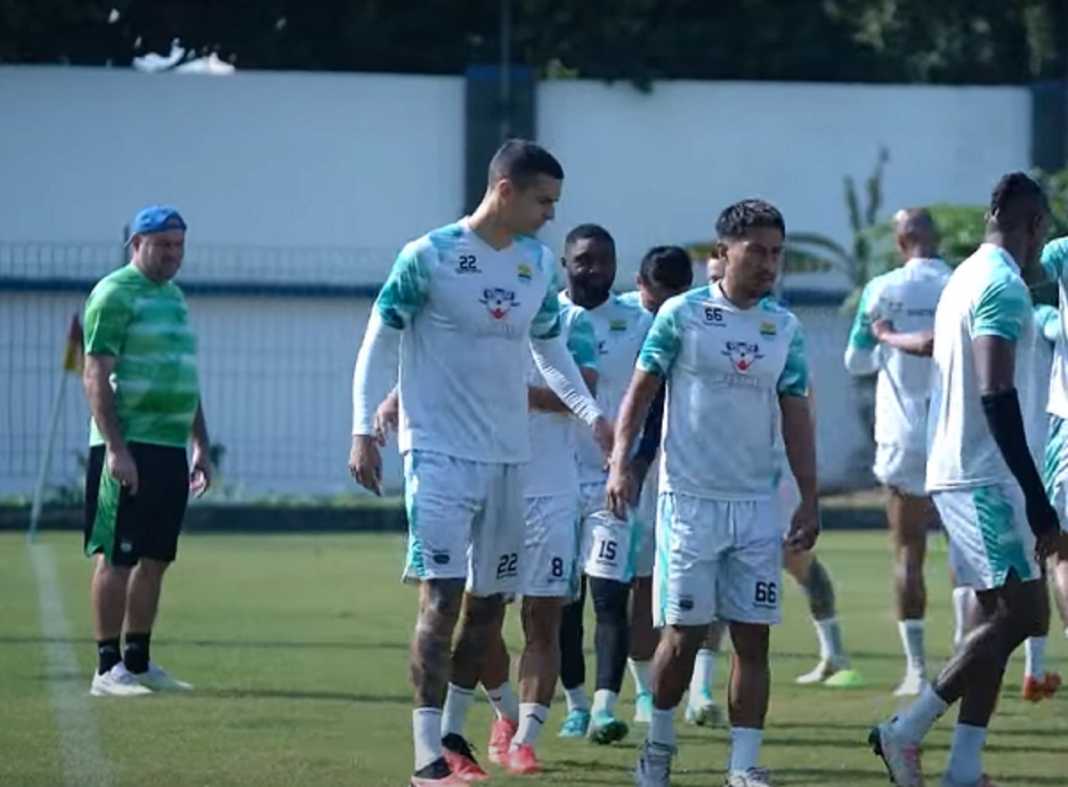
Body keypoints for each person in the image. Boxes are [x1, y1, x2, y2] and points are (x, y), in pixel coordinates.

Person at [348, 139, 611, 787]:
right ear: (505, 190)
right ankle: (424, 756)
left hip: (508, 456)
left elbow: (550, 349)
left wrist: (592, 414)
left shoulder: (537, 264)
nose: (551, 214)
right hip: (437, 451)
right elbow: (376, 341)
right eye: (543, 200)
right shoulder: (428, 256)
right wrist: (363, 429)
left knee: (489, 605)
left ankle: (454, 736)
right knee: (441, 598)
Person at [612, 199, 821, 787]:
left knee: (754, 638)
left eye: (776, 252)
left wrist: (808, 495)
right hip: (689, 504)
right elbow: (640, 394)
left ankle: (742, 766)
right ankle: (657, 747)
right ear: (721, 253)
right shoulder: (682, 314)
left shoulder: (784, 327)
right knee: (682, 637)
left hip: (756, 506)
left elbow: (796, 413)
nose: (768, 264)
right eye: (757, 250)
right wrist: (621, 466)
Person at [870, 172, 1059, 787]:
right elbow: (996, 391)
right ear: (1034, 225)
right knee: (1027, 617)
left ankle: (964, 765)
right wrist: (1036, 497)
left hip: (967, 471)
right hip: (986, 477)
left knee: (991, 623)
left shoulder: (964, 278)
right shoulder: (1002, 286)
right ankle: (906, 731)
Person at [555, 237, 692, 745]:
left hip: (612, 479)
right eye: (583, 260)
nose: (593, 270)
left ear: (617, 268)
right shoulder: (544, 318)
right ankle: (572, 705)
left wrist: (634, 463)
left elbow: (655, 402)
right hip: (551, 479)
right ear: (565, 263)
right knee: (561, 600)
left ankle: (605, 706)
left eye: (603, 261)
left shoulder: (638, 324)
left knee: (611, 594)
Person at [82, 204, 211, 697]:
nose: (173, 255)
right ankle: (106, 667)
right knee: (118, 557)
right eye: (163, 246)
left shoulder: (175, 298)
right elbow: (95, 374)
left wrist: (199, 441)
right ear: (136, 244)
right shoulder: (114, 294)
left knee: (156, 558)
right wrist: (116, 448)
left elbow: (184, 375)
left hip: (168, 448)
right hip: (129, 446)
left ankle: (137, 660)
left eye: (179, 246)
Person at [844, 208, 953, 696]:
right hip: (958, 433)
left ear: (900, 239)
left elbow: (856, 361)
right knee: (967, 552)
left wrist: (886, 339)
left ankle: (916, 670)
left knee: (908, 550)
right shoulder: (959, 283)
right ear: (935, 237)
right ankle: (966, 656)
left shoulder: (881, 288)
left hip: (903, 434)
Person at [617, 246, 697, 725]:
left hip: (671, 466)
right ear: (638, 284)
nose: (660, 308)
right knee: (604, 588)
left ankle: (648, 692)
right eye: (653, 299)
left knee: (652, 583)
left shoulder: (692, 319)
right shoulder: (618, 317)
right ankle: (590, 698)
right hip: (613, 462)